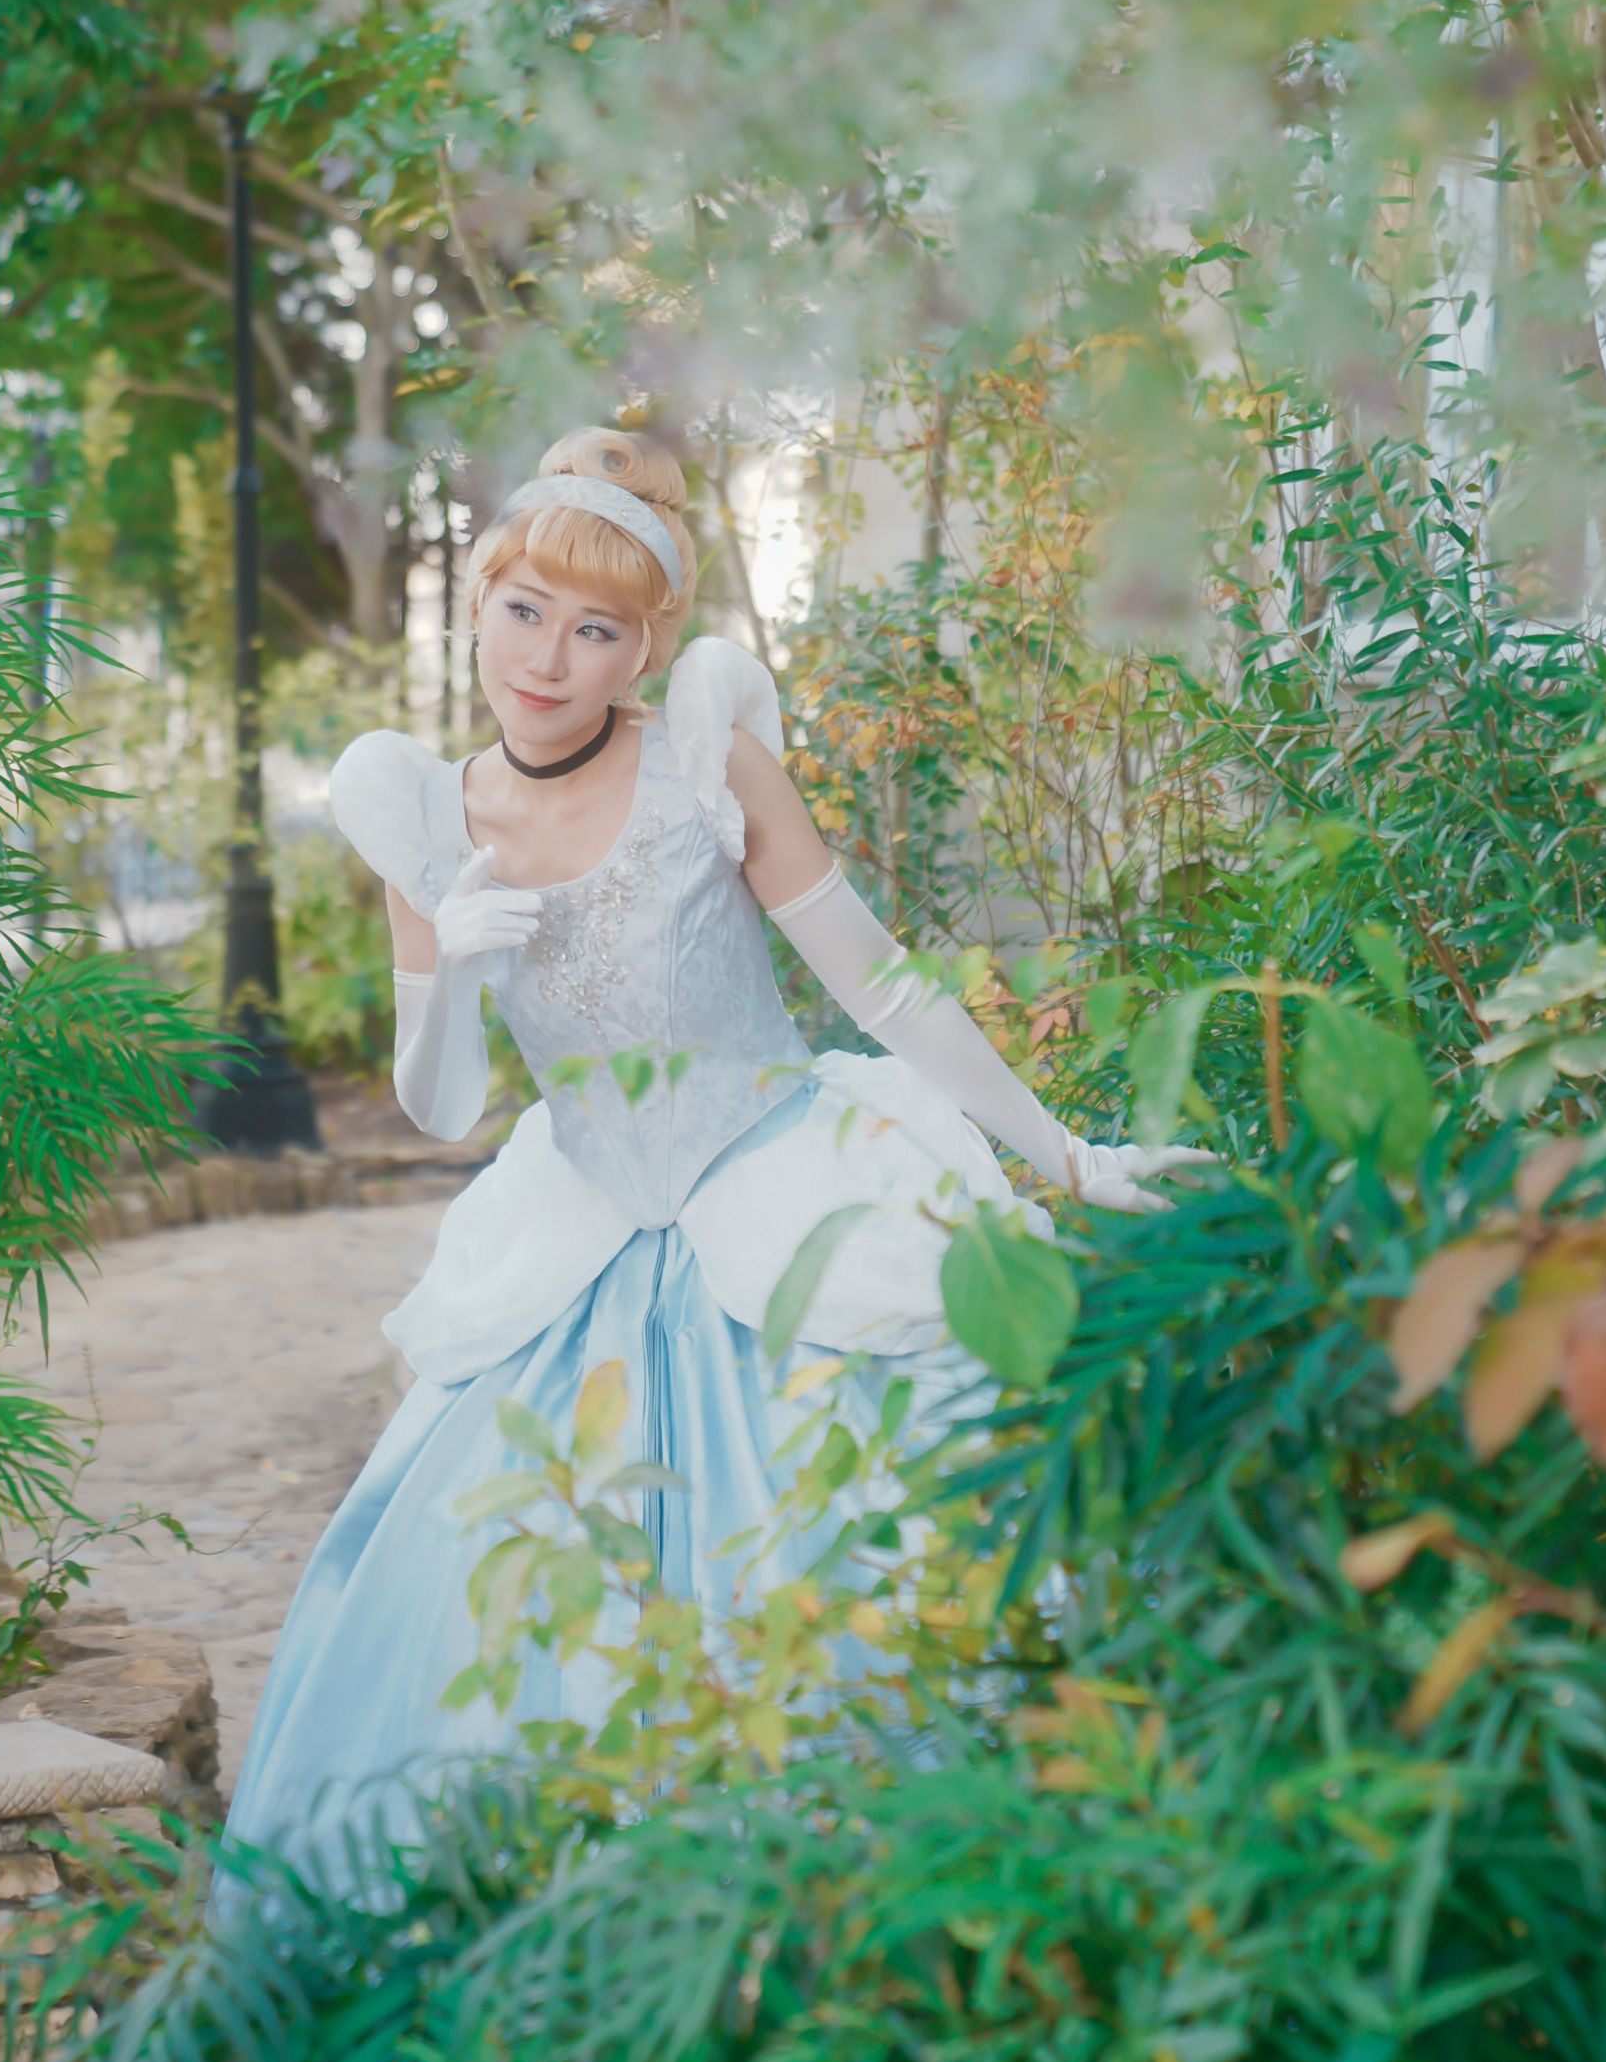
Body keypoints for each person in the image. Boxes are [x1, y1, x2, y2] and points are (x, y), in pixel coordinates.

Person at [224, 425, 1194, 1874]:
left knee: (889, 1554)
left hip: (780, 1192)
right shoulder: (430, 818)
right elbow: (440, 1106)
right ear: (479, 602)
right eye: (524, 611)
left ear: (644, 646)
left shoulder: (702, 765)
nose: (548, 657)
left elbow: (881, 984)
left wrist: (1062, 1155)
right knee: (495, 1581)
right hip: (581, 1234)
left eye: (595, 628)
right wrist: (453, 963)